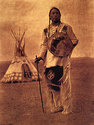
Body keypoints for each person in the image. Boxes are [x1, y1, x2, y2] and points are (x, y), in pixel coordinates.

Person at [35, 7, 78, 114]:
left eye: (57, 13)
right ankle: (57, 106)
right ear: (49, 16)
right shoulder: (46, 30)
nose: (55, 15)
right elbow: (44, 45)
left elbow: (74, 40)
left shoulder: (66, 27)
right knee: (52, 83)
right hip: (50, 61)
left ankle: (67, 107)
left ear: (60, 15)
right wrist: (40, 56)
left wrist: (67, 47)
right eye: (53, 13)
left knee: (65, 82)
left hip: (63, 60)